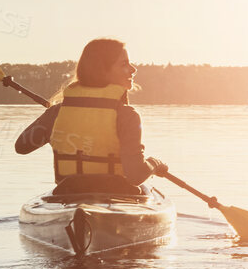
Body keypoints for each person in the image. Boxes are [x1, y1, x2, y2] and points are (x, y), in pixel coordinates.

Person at [14, 38, 157, 195]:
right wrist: (154, 164)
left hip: (68, 194)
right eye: (124, 64)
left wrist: (51, 125)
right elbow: (136, 175)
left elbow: (22, 146)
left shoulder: (57, 113)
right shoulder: (127, 116)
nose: (133, 69)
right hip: (116, 196)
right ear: (102, 70)